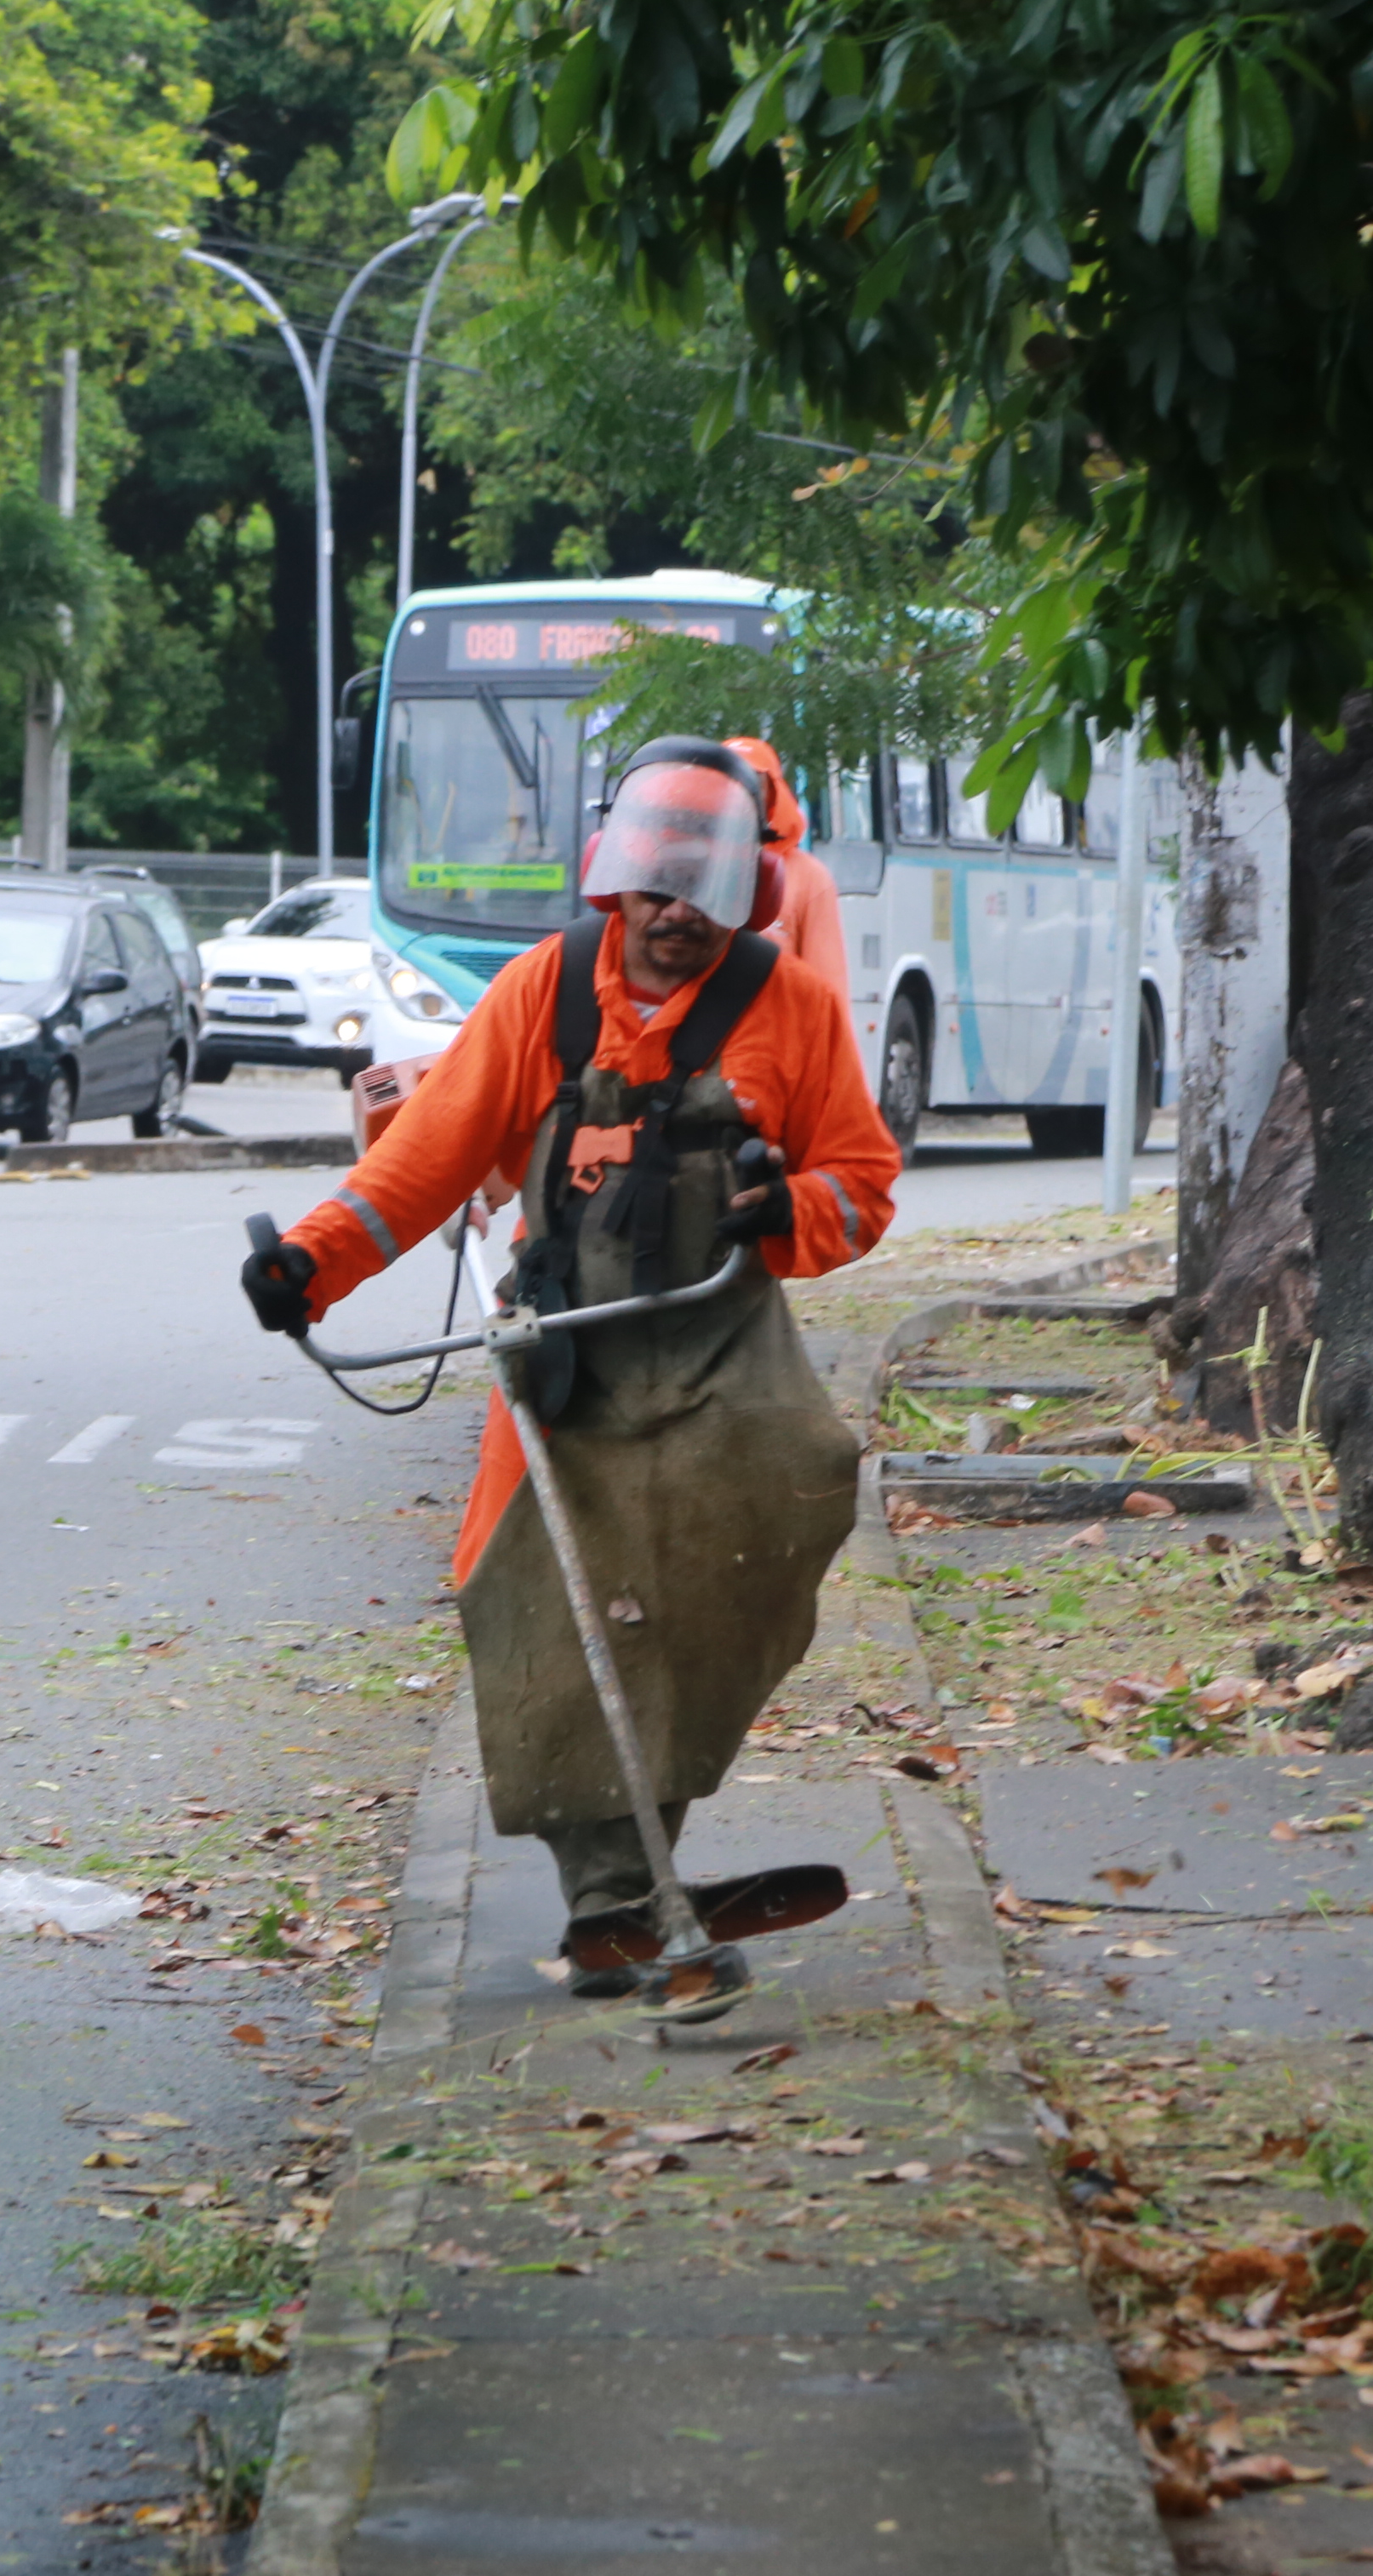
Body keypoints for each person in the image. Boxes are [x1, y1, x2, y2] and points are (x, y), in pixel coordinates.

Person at [240, 739, 900, 1991]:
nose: (674, 920)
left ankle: (643, 1866)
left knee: (765, 1522)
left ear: (744, 900)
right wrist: (310, 1265)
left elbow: (863, 1189)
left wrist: (786, 1211)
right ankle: (616, 1898)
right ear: (612, 883)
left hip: (722, 1356)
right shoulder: (543, 992)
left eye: (701, 901)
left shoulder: (794, 1011)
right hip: (566, 1359)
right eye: (654, 894)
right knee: (546, 1599)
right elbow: (421, 1162)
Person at [720, 734, 852, 1002]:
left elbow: (829, 993)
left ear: (772, 795)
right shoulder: (687, 866)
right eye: (727, 782)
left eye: (752, 785)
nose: (738, 794)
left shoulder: (810, 879)